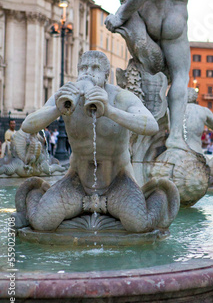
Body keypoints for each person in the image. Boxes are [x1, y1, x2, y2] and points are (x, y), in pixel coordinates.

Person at [17, 51, 178, 233]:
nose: (88, 73)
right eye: (83, 68)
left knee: (138, 224)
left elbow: (151, 125)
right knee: (41, 223)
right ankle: (38, 194)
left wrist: (109, 110)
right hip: (78, 182)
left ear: (106, 75)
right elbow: (28, 125)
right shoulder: (67, 95)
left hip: (117, 181)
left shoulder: (120, 98)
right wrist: (56, 109)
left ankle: (157, 196)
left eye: (95, 69)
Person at [105, 0, 196, 152]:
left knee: (143, 70)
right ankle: (176, 136)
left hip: (149, 18)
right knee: (179, 77)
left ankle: (140, 135)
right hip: (177, 19)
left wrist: (120, 15)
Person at [184, 88, 213, 155]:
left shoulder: (173, 110)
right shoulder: (204, 110)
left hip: (176, 150)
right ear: (195, 97)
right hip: (195, 150)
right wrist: (206, 123)